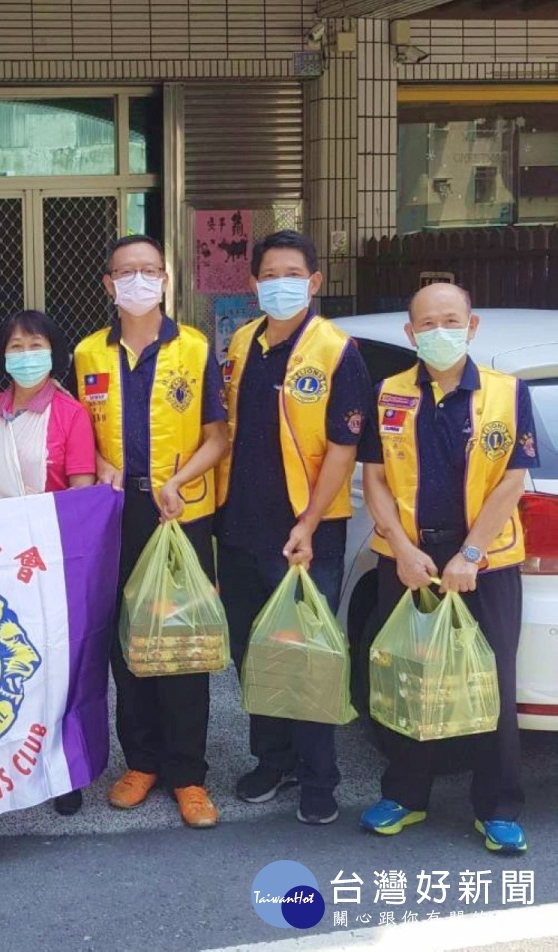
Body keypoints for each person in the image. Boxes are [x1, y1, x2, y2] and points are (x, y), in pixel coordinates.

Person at [358, 283, 534, 854]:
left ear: (471, 326)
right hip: (407, 559)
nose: (440, 332)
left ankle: (498, 807)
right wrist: (403, 549)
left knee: (491, 683)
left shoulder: (508, 393)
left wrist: (471, 554)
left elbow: (512, 480)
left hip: (487, 561)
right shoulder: (387, 393)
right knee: (409, 678)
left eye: (451, 321)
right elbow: (374, 479)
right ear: (411, 333)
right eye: (428, 324)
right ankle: (405, 794)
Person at [215, 230, 371, 826]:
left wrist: (308, 522)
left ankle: (319, 776)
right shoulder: (242, 342)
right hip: (241, 528)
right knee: (255, 652)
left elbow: (343, 448)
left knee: (307, 655)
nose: (280, 284)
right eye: (270, 275)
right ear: (253, 283)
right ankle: (272, 760)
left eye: (293, 275)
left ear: (314, 282)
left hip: (306, 535)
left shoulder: (336, 351)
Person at [74, 235, 228, 829]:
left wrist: (180, 479)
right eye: (125, 272)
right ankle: (140, 762)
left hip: (180, 512)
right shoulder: (88, 354)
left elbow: (217, 436)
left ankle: (188, 773)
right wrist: (101, 465)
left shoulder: (194, 348)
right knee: (129, 638)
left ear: (165, 278)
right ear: (107, 284)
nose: (137, 280)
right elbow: (77, 432)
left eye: (149, 270)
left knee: (182, 640)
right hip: (117, 514)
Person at [0, 309, 96, 816]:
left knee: (52, 670)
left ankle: (61, 772)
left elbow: (81, 496)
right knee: (1, 665)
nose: (25, 356)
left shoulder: (70, 414)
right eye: (15, 347)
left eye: (35, 345)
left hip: (45, 561)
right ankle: (5, 761)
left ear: (54, 353)